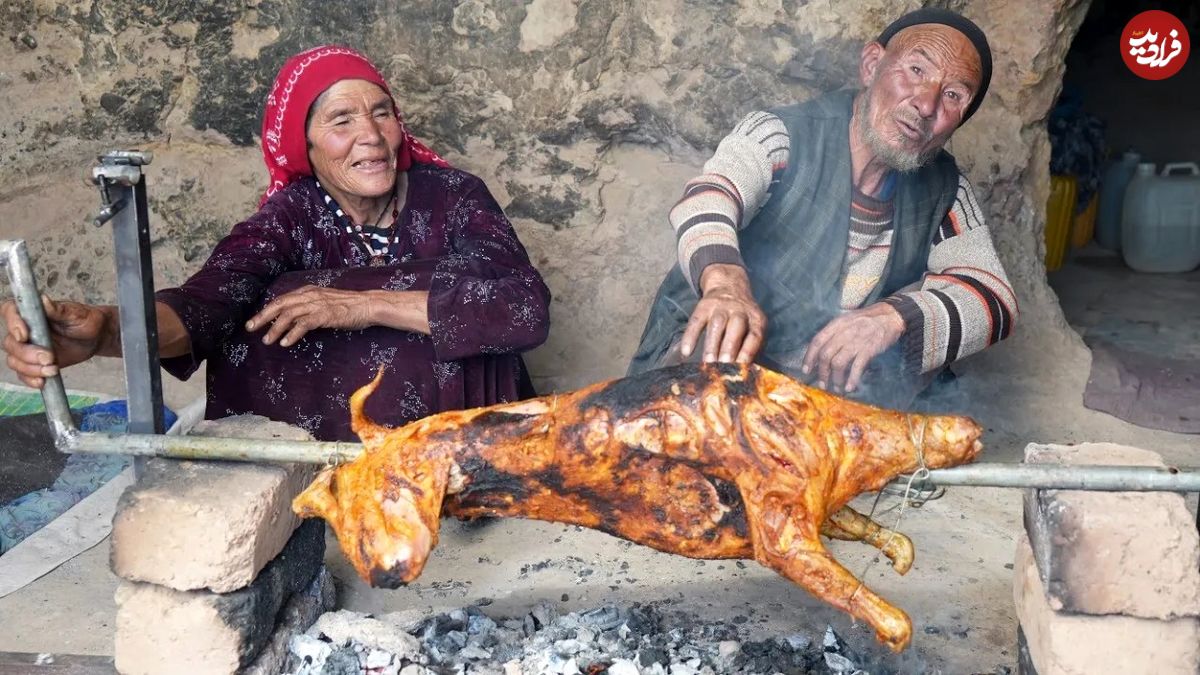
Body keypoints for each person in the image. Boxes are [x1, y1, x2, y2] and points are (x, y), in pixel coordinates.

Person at [2, 45, 551, 441]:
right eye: (342, 121)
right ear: (304, 145)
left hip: (471, 445)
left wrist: (363, 306)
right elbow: (206, 305)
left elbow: (525, 309)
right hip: (333, 459)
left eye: (381, 113)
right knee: (258, 308)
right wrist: (106, 332)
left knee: (460, 287)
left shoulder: (453, 194)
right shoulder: (291, 215)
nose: (371, 135)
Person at [628, 8, 1018, 409]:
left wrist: (891, 317)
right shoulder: (782, 134)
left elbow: (996, 299)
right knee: (705, 365)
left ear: (959, 121)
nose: (926, 103)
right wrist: (725, 283)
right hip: (717, 368)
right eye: (917, 70)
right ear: (872, 65)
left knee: (927, 311)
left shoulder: (944, 186)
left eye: (953, 95)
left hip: (823, 392)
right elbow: (710, 195)